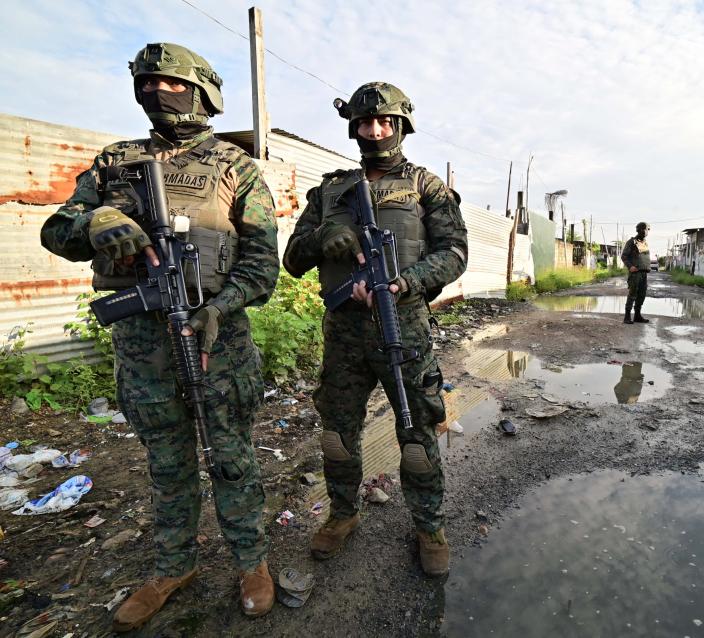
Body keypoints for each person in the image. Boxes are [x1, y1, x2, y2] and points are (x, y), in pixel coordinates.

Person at [40, 43, 279, 630]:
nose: (155, 93)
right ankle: (174, 565)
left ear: (200, 91)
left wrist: (221, 306)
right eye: (146, 84)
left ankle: (251, 561)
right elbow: (56, 228)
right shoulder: (114, 162)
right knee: (167, 461)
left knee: (231, 455)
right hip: (143, 345)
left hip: (215, 339)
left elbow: (261, 263)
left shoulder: (234, 166)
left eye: (169, 84)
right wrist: (93, 220)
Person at [282, 82, 468, 576]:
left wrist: (406, 282)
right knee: (337, 435)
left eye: (385, 121)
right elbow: (292, 259)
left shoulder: (426, 186)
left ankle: (429, 525)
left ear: (401, 125)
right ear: (354, 128)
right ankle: (343, 514)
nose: (376, 130)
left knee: (416, 431)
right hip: (344, 332)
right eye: (366, 122)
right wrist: (325, 237)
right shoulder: (329, 191)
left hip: (403, 328)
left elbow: (454, 254)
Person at [621, 222, 652, 324]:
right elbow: (624, 256)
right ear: (638, 230)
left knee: (642, 294)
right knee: (632, 294)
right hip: (635, 273)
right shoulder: (632, 242)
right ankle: (627, 317)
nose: (645, 231)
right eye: (643, 229)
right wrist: (630, 267)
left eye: (647, 229)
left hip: (644, 273)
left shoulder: (645, 243)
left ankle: (637, 316)